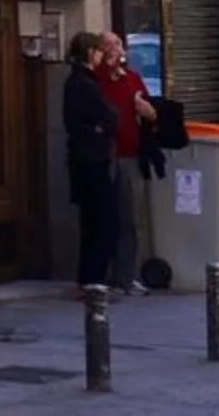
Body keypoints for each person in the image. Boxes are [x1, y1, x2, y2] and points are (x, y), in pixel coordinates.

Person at [63, 31, 122, 292]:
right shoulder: (84, 84)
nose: (101, 55)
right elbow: (109, 117)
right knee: (103, 222)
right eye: (98, 50)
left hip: (85, 159)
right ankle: (93, 281)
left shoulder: (80, 81)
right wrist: (104, 125)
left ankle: (89, 280)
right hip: (91, 160)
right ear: (90, 53)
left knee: (93, 222)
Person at [98, 32, 155, 293]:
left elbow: (151, 113)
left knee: (131, 218)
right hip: (104, 157)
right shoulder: (95, 80)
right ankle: (106, 275)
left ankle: (127, 275)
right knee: (107, 217)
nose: (113, 49)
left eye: (117, 44)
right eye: (107, 45)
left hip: (130, 156)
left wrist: (145, 110)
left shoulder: (132, 79)